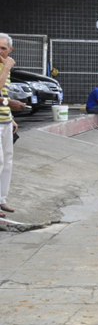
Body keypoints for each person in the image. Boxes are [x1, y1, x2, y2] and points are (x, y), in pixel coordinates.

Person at [0, 33, 26, 218]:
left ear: (10, 50)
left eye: (3, 48)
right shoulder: (5, 67)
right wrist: (7, 67)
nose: (0, 51)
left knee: (7, 161)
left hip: (5, 121)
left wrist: (11, 116)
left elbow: (3, 96)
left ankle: (2, 199)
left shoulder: (5, 67)